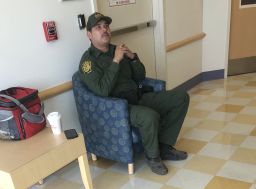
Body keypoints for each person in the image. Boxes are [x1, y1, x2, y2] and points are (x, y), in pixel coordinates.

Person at [79, 12, 190, 175]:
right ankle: (153, 158)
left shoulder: (117, 49)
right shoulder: (88, 62)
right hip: (118, 108)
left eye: (106, 26)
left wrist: (133, 58)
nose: (104, 30)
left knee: (181, 97)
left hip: (138, 97)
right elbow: (102, 90)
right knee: (149, 116)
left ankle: (164, 146)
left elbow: (140, 76)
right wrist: (116, 61)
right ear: (89, 34)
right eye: (98, 27)